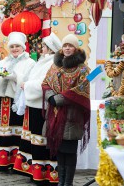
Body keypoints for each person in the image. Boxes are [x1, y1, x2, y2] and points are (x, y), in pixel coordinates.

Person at [0, 32, 35, 172]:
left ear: (23, 47)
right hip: (1, 100)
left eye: (17, 46)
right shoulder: (4, 62)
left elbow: (29, 82)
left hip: (16, 101)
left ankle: (13, 163)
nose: (15, 49)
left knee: (14, 132)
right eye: (12, 46)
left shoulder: (30, 63)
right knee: (0, 131)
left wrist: (15, 77)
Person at [13, 33, 62, 185]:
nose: (42, 49)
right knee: (33, 138)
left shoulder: (52, 63)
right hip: (33, 104)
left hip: (41, 105)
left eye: (44, 47)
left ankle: (43, 172)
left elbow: (43, 84)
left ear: (50, 48)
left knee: (40, 139)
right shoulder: (44, 61)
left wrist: (26, 85)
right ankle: (34, 169)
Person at [42, 34, 90, 186]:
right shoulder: (55, 65)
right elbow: (45, 82)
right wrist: (50, 96)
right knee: (60, 151)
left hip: (72, 115)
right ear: (61, 48)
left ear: (76, 48)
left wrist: (58, 99)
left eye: (70, 46)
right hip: (55, 114)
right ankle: (60, 182)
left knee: (69, 151)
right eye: (65, 46)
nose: (67, 48)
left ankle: (67, 183)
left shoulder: (82, 69)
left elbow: (80, 89)